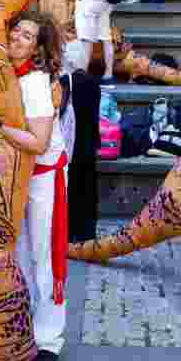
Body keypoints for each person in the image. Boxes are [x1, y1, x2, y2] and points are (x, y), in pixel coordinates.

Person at [0, 12, 68, 361]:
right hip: (13, 176)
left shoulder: (37, 83)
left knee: (43, 259)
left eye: (28, 36)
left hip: (41, 175)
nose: (18, 38)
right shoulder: (7, 73)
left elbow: (40, 144)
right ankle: (22, 329)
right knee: (19, 255)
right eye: (17, 31)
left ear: (38, 48)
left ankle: (49, 340)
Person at [62, 40, 101, 244]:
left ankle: (68, 231)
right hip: (87, 143)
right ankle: (87, 233)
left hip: (68, 143)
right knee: (87, 189)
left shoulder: (63, 82)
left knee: (69, 188)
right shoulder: (93, 83)